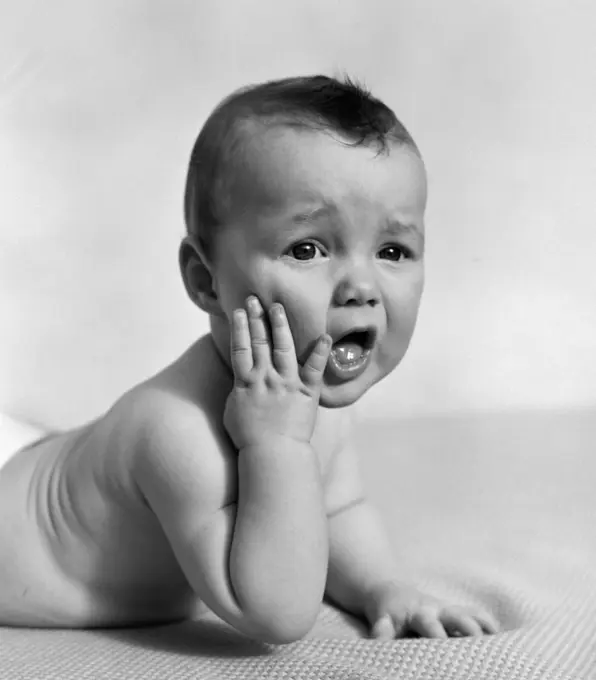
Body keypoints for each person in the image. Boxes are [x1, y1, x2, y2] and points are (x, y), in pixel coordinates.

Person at [0, 74, 499, 644]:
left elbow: (334, 512)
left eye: (393, 251)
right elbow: (274, 612)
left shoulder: (311, 398)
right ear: (205, 281)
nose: (361, 286)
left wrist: (385, 588)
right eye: (307, 248)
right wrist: (276, 447)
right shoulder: (177, 433)